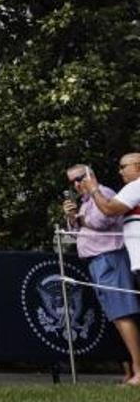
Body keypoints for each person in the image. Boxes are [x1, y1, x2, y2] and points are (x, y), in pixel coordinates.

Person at [63, 163, 140, 385]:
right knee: (115, 317)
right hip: (97, 260)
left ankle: (138, 370)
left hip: (109, 257)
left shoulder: (103, 193)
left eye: (80, 178)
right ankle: (129, 371)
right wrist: (71, 217)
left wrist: (79, 218)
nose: (77, 184)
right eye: (73, 182)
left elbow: (103, 221)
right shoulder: (86, 202)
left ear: (91, 175)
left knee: (122, 313)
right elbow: (78, 232)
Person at [81, 153, 140, 289]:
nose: (120, 171)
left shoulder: (136, 185)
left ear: (138, 166)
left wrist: (94, 189)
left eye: (123, 167)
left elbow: (109, 210)